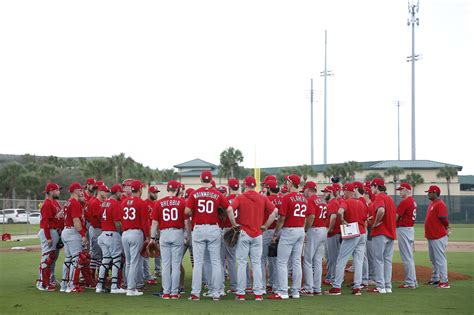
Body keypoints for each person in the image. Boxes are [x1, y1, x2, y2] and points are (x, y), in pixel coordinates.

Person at [226, 176, 277, 301]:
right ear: (255, 185)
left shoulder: (241, 197)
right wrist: (266, 225)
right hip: (258, 234)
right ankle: (258, 293)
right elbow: (275, 211)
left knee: (242, 263)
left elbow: (229, 209)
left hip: (244, 232)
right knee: (257, 264)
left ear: (245, 185)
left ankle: (241, 293)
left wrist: (233, 225)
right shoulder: (262, 197)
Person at [185, 171, 230, 301]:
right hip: (213, 228)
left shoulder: (194, 193)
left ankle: (195, 293)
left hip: (198, 228)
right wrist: (233, 223)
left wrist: (195, 210)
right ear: (211, 180)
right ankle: (216, 293)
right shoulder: (217, 193)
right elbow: (228, 209)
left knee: (198, 263)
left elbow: (187, 211)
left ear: (200, 179)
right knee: (216, 262)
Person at [268, 174, 313, 300]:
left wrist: (276, 234)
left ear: (291, 183)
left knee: (282, 262)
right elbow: (310, 216)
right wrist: (305, 230)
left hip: (289, 230)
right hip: (300, 230)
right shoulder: (304, 198)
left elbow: (281, 218)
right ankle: (295, 291)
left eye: (288, 182)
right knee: (296, 261)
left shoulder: (287, 197)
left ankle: (282, 291)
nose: (286, 184)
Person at [326, 183, 367, 296]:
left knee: (341, 259)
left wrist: (343, 221)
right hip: (362, 232)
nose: (343, 193)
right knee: (358, 261)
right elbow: (366, 218)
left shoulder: (346, 202)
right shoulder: (361, 203)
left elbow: (339, 212)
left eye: (344, 191)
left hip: (352, 230)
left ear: (347, 191)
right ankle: (357, 287)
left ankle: (336, 287)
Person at [151, 180, 188, 299]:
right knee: (176, 265)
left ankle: (166, 292)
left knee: (165, 265)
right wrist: (188, 235)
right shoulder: (182, 202)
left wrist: (152, 238)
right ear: (177, 189)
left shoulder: (159, 202)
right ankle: (174, 292)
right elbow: (187, 221)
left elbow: (154, 223)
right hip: (177, 232)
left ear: (167, 189)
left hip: (164, 233)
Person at [121, 180, 150, 296]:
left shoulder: (123, 202)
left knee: (128, 262)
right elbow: (144, 222)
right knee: (134, 262)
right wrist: (147, 236)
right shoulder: (141, 203)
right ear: (140, 190)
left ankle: (129, 285)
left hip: (125, 233)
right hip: (136, 233)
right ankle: (132, 289)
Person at [96, 184, 127, 294]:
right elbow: (117, 222)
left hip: (103, 234)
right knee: (116, 260)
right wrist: (123, 232)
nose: (122, 194)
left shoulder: (104, 203)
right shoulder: (115, 204)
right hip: (112, 234)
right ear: (117, 192)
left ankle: (99, 286)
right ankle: (114, 286)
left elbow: (100, 216)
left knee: (105, 260)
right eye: (121, 192)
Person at [368, 178, 396, 294]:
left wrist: (375, 223)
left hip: (381, 233)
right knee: (387, 261)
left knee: (378, 260)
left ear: (376, 186)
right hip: (390, 233)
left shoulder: (379, 197)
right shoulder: (389, 198)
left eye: (372, 186)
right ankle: (387, 286)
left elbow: (381, 211)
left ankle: (380, 286)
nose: (371, 189)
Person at [61, 182, 90, 293]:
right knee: (76, 259)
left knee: (68, 259)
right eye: (80, 190)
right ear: (75, 191)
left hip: (66, 230)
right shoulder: (74, 203)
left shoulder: (69, 202)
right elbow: (76, 220)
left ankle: (64, 284)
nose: (82, 191)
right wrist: (83, 234)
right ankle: (71, 285)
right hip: (73, 231)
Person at [301, 181, 327, 296]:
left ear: (308, 189)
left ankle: (308, 288)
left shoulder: (311, 200)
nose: (304, 192)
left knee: (307, 260)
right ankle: (317, 288)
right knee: (317, 261)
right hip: (323, 229)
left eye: (305, 190)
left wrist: (306, 229)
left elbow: (311, 216)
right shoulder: (322, 200)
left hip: (314, 229)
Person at [37, 182, 63, 291]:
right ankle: (42, 283)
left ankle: (50, 279)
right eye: (57, 190)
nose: (59, 192)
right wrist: (48, 237)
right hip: (49, 231)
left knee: (53, 258)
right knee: (47, 258)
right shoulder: (47, 204)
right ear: (51, 191)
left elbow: (58, 218)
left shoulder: (55, 203)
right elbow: (45, 222)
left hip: (55, 231)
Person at [424, 185, 450, 288]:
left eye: (430, 192)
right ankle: (435, 278)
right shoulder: (432, 203)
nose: (428, 194)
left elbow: (443, 218)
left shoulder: (440, 204)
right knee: (433, 259)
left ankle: (444, 281)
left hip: (438, 236)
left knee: (440, 259)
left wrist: (447, 226)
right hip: (431, 236)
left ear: (435, 193)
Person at [395, 182, 418, 289]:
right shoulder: (412, 201)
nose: (400, 191)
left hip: (404, 229)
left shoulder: (405, 201)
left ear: (406, 190)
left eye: (401, 190)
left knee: (406, 257)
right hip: (409, 229)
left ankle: (410, 282)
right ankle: (413, 280)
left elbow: (396, 217)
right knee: (409, 257)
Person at [262, 179, 282, 294]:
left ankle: (262, 286)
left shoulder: (266, 199)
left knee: (261, 259)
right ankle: (274, 285)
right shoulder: (282, 199)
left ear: (269, 188)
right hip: (279, 231)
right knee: (276, 260)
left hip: (267, 230)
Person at [221, 178, 241, 294]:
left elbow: (223, 216)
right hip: (242, 230)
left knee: (230, 260)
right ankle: (246, 285)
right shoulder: (242, 198)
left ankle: (234, 286)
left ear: (229, 188)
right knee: (243, 259)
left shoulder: (226, 199)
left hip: (229, 230)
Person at [87, 184, 108, 280]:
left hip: (99, 229)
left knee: (100, 255)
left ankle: (100, 277)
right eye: (105, 191)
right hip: (96, 229)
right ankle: (92, 277)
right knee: (95, 254)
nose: (107, 193)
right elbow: (99, 218)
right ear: (100, 191)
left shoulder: (100, 201)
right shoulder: (95, 202)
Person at [323, 185, 341, 286]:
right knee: (330, 256)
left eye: (325, 192)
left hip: (333, 233)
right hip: (334, 233)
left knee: (333, 257)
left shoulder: (333, 203)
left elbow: (333, 217)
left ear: (330, 192)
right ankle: (331, 276)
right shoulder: (333, 202)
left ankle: (333, 277)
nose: (324, 194)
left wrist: (329, 229)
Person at [144, 185, 160, 286]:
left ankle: (158, 270)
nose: (156, 194)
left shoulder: (157, 203)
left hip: (156, 230)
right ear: (149, 193)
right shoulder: (145, 203)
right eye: (154, 192)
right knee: (146, 253)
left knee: (158, 251)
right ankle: (147, 274)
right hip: (148, 230)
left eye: (156, 192)